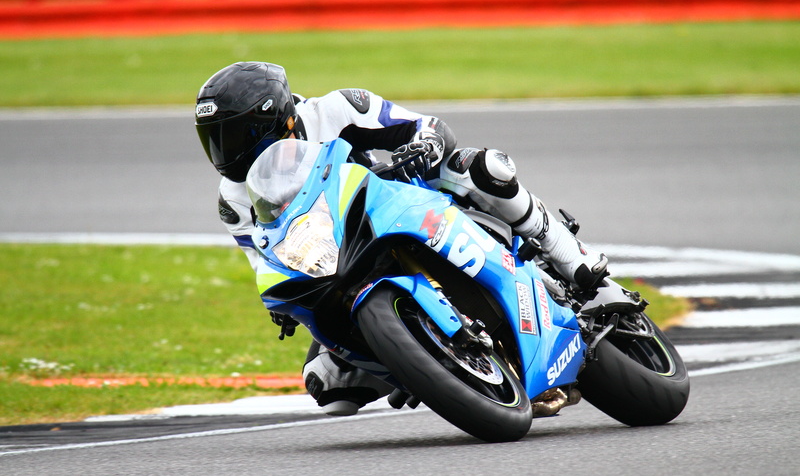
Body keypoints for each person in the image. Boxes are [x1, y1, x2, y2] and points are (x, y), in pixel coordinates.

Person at [195, 61, 608, 416]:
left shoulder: (337, 109)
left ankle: (567, 254)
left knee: (479, 167)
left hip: (407, 198)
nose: (224, 153)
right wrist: (284, 304)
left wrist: (424, 145)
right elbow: (266, 257)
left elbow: (426, 126)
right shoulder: (234, 200)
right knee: (329, 385)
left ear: (276, 118)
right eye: (213, 139)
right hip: (340, 256)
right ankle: (433, 362)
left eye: (233, 137)